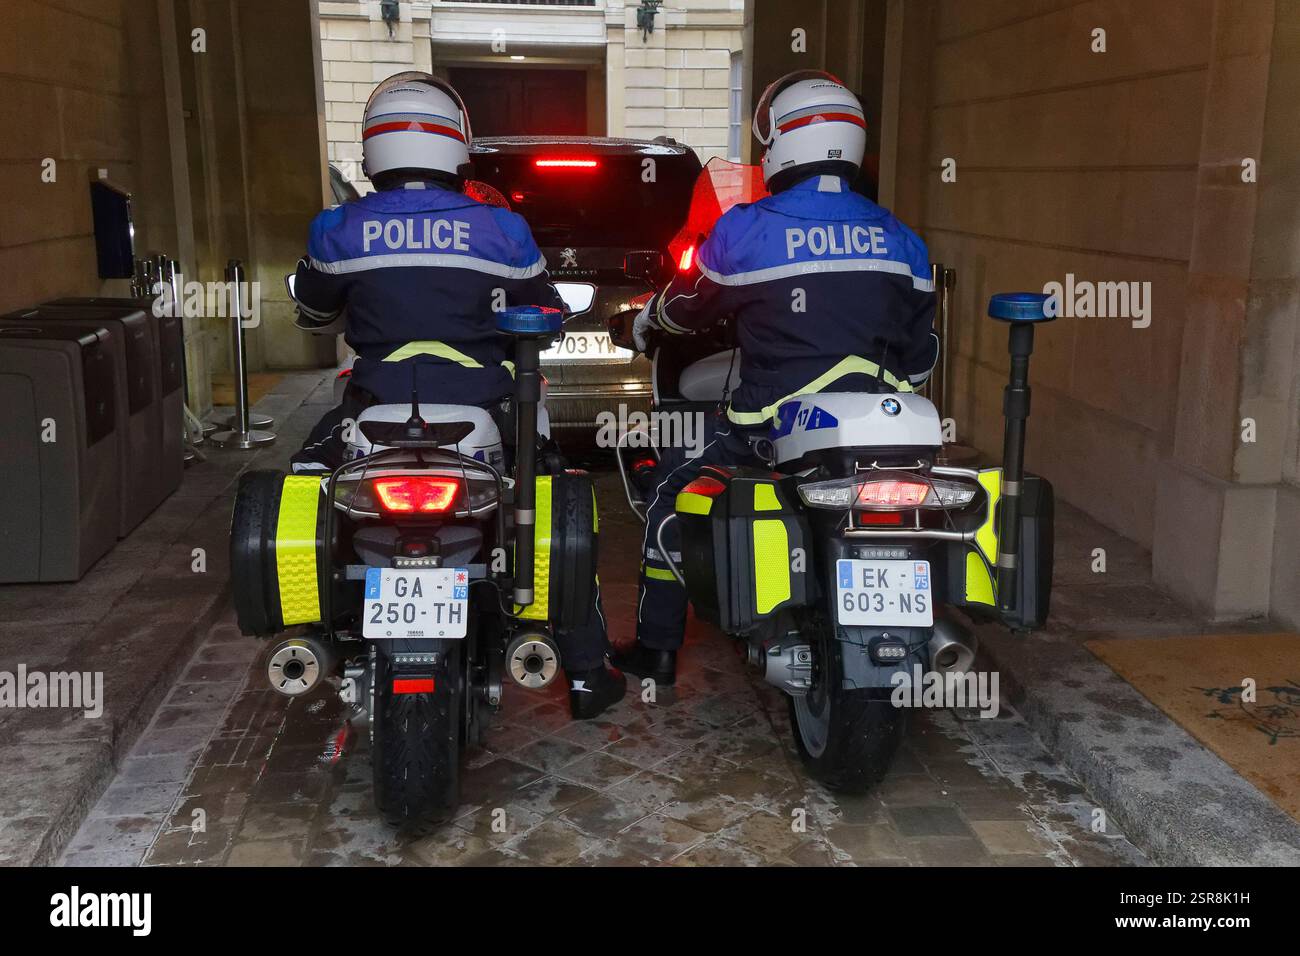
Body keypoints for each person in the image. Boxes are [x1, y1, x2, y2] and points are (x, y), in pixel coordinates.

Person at [291, 72, 625, 719]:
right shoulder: (503, 231)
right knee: (555, 501)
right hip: (487, 407)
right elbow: (546, 311)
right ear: (458, 146)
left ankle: (317, 631)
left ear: (373, 149)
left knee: (309, 482)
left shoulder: (337, 229)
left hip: (374, 407)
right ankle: (586, 673)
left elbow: (309, 307)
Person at [614, 71, 939, 687]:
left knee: (669, 503)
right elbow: (920, 356)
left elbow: (686, 311)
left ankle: (657, 649)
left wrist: (646, 322)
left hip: (768, 425)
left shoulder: (747, 229)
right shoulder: (902, 239)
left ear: (779, 144)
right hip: (885, 433)